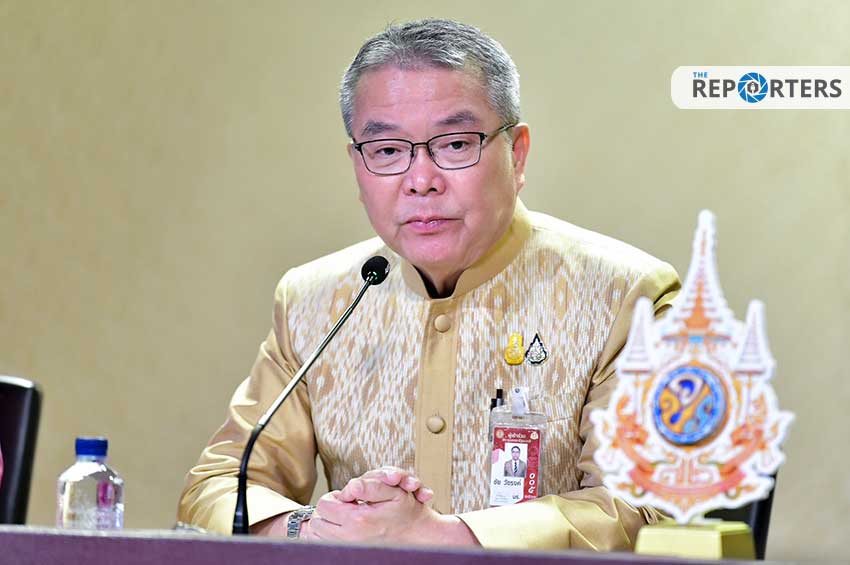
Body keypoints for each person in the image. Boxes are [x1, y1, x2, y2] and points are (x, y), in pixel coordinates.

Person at [178, 18, 680, 550]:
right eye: (388, 151)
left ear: (517, 154)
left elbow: (646, 506)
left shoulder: (626, 296)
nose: (421, 180)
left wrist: (449, 538)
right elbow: (217, 488)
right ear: (357, 166)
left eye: (456, 144)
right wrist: (314, 528)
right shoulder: (314, 301)